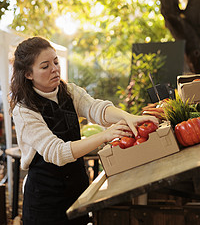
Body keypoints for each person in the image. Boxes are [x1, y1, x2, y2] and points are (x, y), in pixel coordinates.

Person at [10, 36, 158, 225]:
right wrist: (105, 135)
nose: (55, 69)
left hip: (77, 189)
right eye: (45, 66)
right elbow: (57, 152)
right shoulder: (24, 110)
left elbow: (96, 108)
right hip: (45, 199)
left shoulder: (69, 91)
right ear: (28, 74)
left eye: (56, 62)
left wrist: (129, 117)